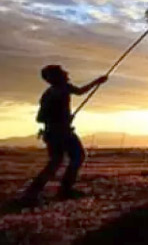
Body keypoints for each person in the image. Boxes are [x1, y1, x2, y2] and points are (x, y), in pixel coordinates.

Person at [20, 65, 107, 205]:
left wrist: (97, 81)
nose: (67, 73)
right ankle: (63, 190)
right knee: (77, 156)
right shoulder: (58, 91)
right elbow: (41, 118)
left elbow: (79, 92)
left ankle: (33, 193)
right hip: (60, 132)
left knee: (56, 162)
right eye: (63, 72)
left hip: (54, 132)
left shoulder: (54, 91)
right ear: (56, 77)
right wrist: (62, 119)